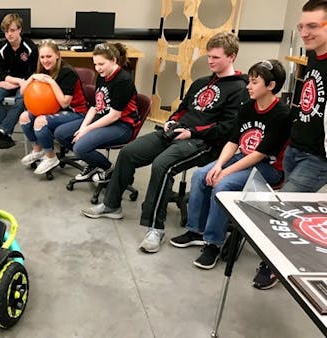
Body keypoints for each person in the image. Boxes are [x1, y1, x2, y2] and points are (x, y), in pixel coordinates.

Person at [81, 32, 248, 254]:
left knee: (162, 164)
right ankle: (112, 205)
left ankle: (155, 228)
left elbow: (228, 127)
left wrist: (191, 131)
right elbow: (182, 110)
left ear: (231, 57)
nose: (210, 61)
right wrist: (172, 122)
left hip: (204, 142)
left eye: (216, 57)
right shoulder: (200, 83)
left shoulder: (239, 89)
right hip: (176, 133)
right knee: (129, 152)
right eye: (209, 56)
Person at [170, 59, 291, 269]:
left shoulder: (282, 114)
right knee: (201, 175)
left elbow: (260, 155)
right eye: (249, 81)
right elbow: (233, 141)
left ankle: (213, 243)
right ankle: (196, 230)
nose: (248, 86)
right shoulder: (247, 108)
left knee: (222, 185)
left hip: (267, 168)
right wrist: (219, 165)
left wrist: (225, 173)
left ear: (271, 86)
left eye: (254, 82)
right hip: (242, 158)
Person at [253, 0, 327, 290]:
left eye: (313, 26)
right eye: (301, 26)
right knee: (285, 206)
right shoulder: (313, 55)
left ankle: (272, 267)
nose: (305, 32)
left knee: (283, 209)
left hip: (318, 157)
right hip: (296, 146)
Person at [55, 43, 139, 181]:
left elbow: (114, 116)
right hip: (102, 119)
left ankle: (110, 170)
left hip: (121, 125)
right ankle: (93, 162)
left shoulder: (123, 80)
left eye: (101, 64)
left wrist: (86, 129)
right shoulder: (102, 75)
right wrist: (82, 127)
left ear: (113, 61)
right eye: (95, 64)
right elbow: (95, 107)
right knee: (61, 134)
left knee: (80, 148)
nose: (98, 68)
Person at [18, 39, 88, 175]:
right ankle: (38, 150)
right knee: (24, 117)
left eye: (49, 56)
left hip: (76, 113)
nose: (45, 60)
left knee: (40, 122)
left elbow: (64, 103)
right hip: (56, 110)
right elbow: (22, 92)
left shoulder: (67, 72)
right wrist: (32, 78)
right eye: (42, 57)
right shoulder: (42, 69)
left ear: (57, 55)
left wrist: (50, 81)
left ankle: (51, 157)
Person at [0, 13, 38, 149]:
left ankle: (2, 132)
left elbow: (33, 74)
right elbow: (1, 74)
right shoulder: (2, 49)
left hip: (26, 83)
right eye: (6, 31)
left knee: (21, 100)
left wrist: (18, 83)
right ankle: (5, 134)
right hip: (12, 83)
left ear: (20, 30)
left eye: (12, 30)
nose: (9, 34)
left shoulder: (30, 47)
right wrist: (17, 82)